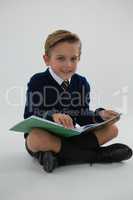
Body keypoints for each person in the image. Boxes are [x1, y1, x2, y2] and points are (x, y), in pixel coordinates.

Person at [24, 29, 132, 173]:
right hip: (46, 136)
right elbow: (30, 115)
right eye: (61, 58)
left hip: (71, 137)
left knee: (112, 130)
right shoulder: (37, 81)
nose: (68, 65)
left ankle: (56, 158)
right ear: (47, 59)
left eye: (73, 59)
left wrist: (100, 115)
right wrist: (52, 116)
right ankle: (98, 156)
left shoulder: (81, 83)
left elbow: (82, 114)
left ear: (79, 58)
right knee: (36, 137)